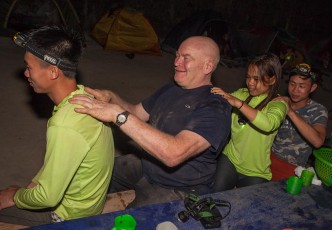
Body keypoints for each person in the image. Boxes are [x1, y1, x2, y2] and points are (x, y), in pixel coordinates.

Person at [69, 36, 232, 208]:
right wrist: (111, 97)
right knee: (89, 173)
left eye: (186, 58)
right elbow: (136, 114)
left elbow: (174, 154)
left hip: (181, 187)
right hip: (148, 165)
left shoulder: (215, 107)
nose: (176, 62)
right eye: (177, 55)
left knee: (127, 223)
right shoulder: (171, 89)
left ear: (208, 66)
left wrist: (118, 115)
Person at [0, 26, 115, 226]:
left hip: (71, 215)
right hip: (89, 202)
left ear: (53, 72)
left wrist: (16, 196)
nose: (26, 73)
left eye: (29, 67)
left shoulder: (64, 125)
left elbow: (48, 198)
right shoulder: (85, 96)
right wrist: (35, 181)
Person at [211, 53, 287, 191]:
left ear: (272, 80)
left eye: (256, 79)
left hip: (256, 172)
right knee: (212, 197)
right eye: (248, 77)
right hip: (230, 160)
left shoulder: (278, 104)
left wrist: (238, 103)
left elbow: (269, 124)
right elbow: (217, 103)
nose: (250, 82)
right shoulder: (242, 94)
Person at [271, 63, 328, 180]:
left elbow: (318, 142)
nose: (295, 90)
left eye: (301, 86)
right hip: (267, 159)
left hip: (293, 168)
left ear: (312, 88)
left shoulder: (318, 110)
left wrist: (290, 112)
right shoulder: (280, 102)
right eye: (292, 84)